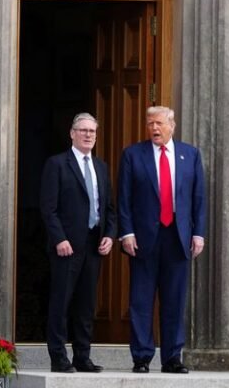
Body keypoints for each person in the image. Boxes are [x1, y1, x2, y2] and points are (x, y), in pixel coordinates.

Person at [117, 106, 206, 374]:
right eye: (150, 124)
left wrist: (198, 233)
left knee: (174, 300)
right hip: (144, 238)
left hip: (178, 236)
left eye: (159, 123)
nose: (154, 128)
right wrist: (126, 232)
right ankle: (141, 357)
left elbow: (198, 198)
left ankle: (172, 358)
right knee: (141, 300)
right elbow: (124, 198)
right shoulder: (133, 155)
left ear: (172, 125)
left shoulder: (190, 154)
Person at [40, 112, 116, 373]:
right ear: (72, 134)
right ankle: (58, 357)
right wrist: (59, 238)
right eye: (83, 130)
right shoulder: (57, 164)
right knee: (61, 302)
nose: (88, 135)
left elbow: (109, 208)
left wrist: (109, 235)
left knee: (86, 304)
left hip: (94, 245)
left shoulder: (101, 167)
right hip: (66, 247)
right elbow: (48, 208)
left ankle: (82, 356)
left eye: (92, 131)